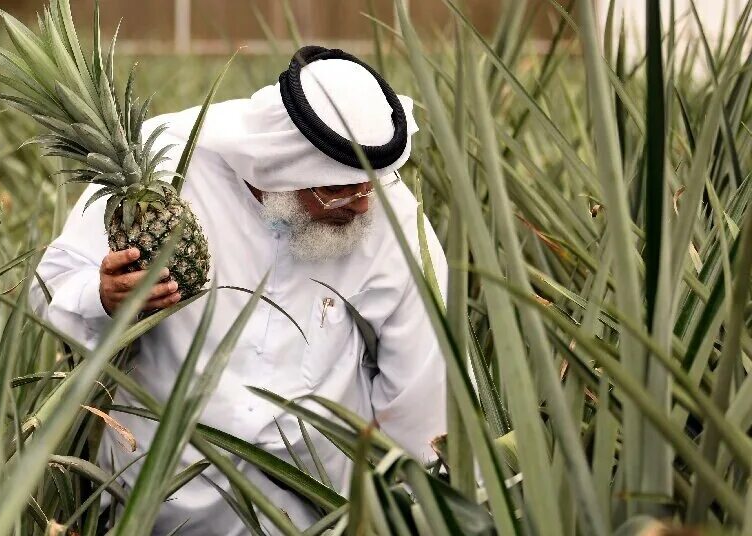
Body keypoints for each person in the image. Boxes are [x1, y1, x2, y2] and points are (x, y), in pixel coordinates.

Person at [29, 45, 449, 535]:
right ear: (281, 167)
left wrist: (412, 511)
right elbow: (49, 287)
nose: (361, 206)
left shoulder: (391, 220)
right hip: (154, 505)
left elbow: (424, 389)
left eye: (370, 187)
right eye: (337, 190)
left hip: (316, 515)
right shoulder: (161, 169)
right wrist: (102, 297)